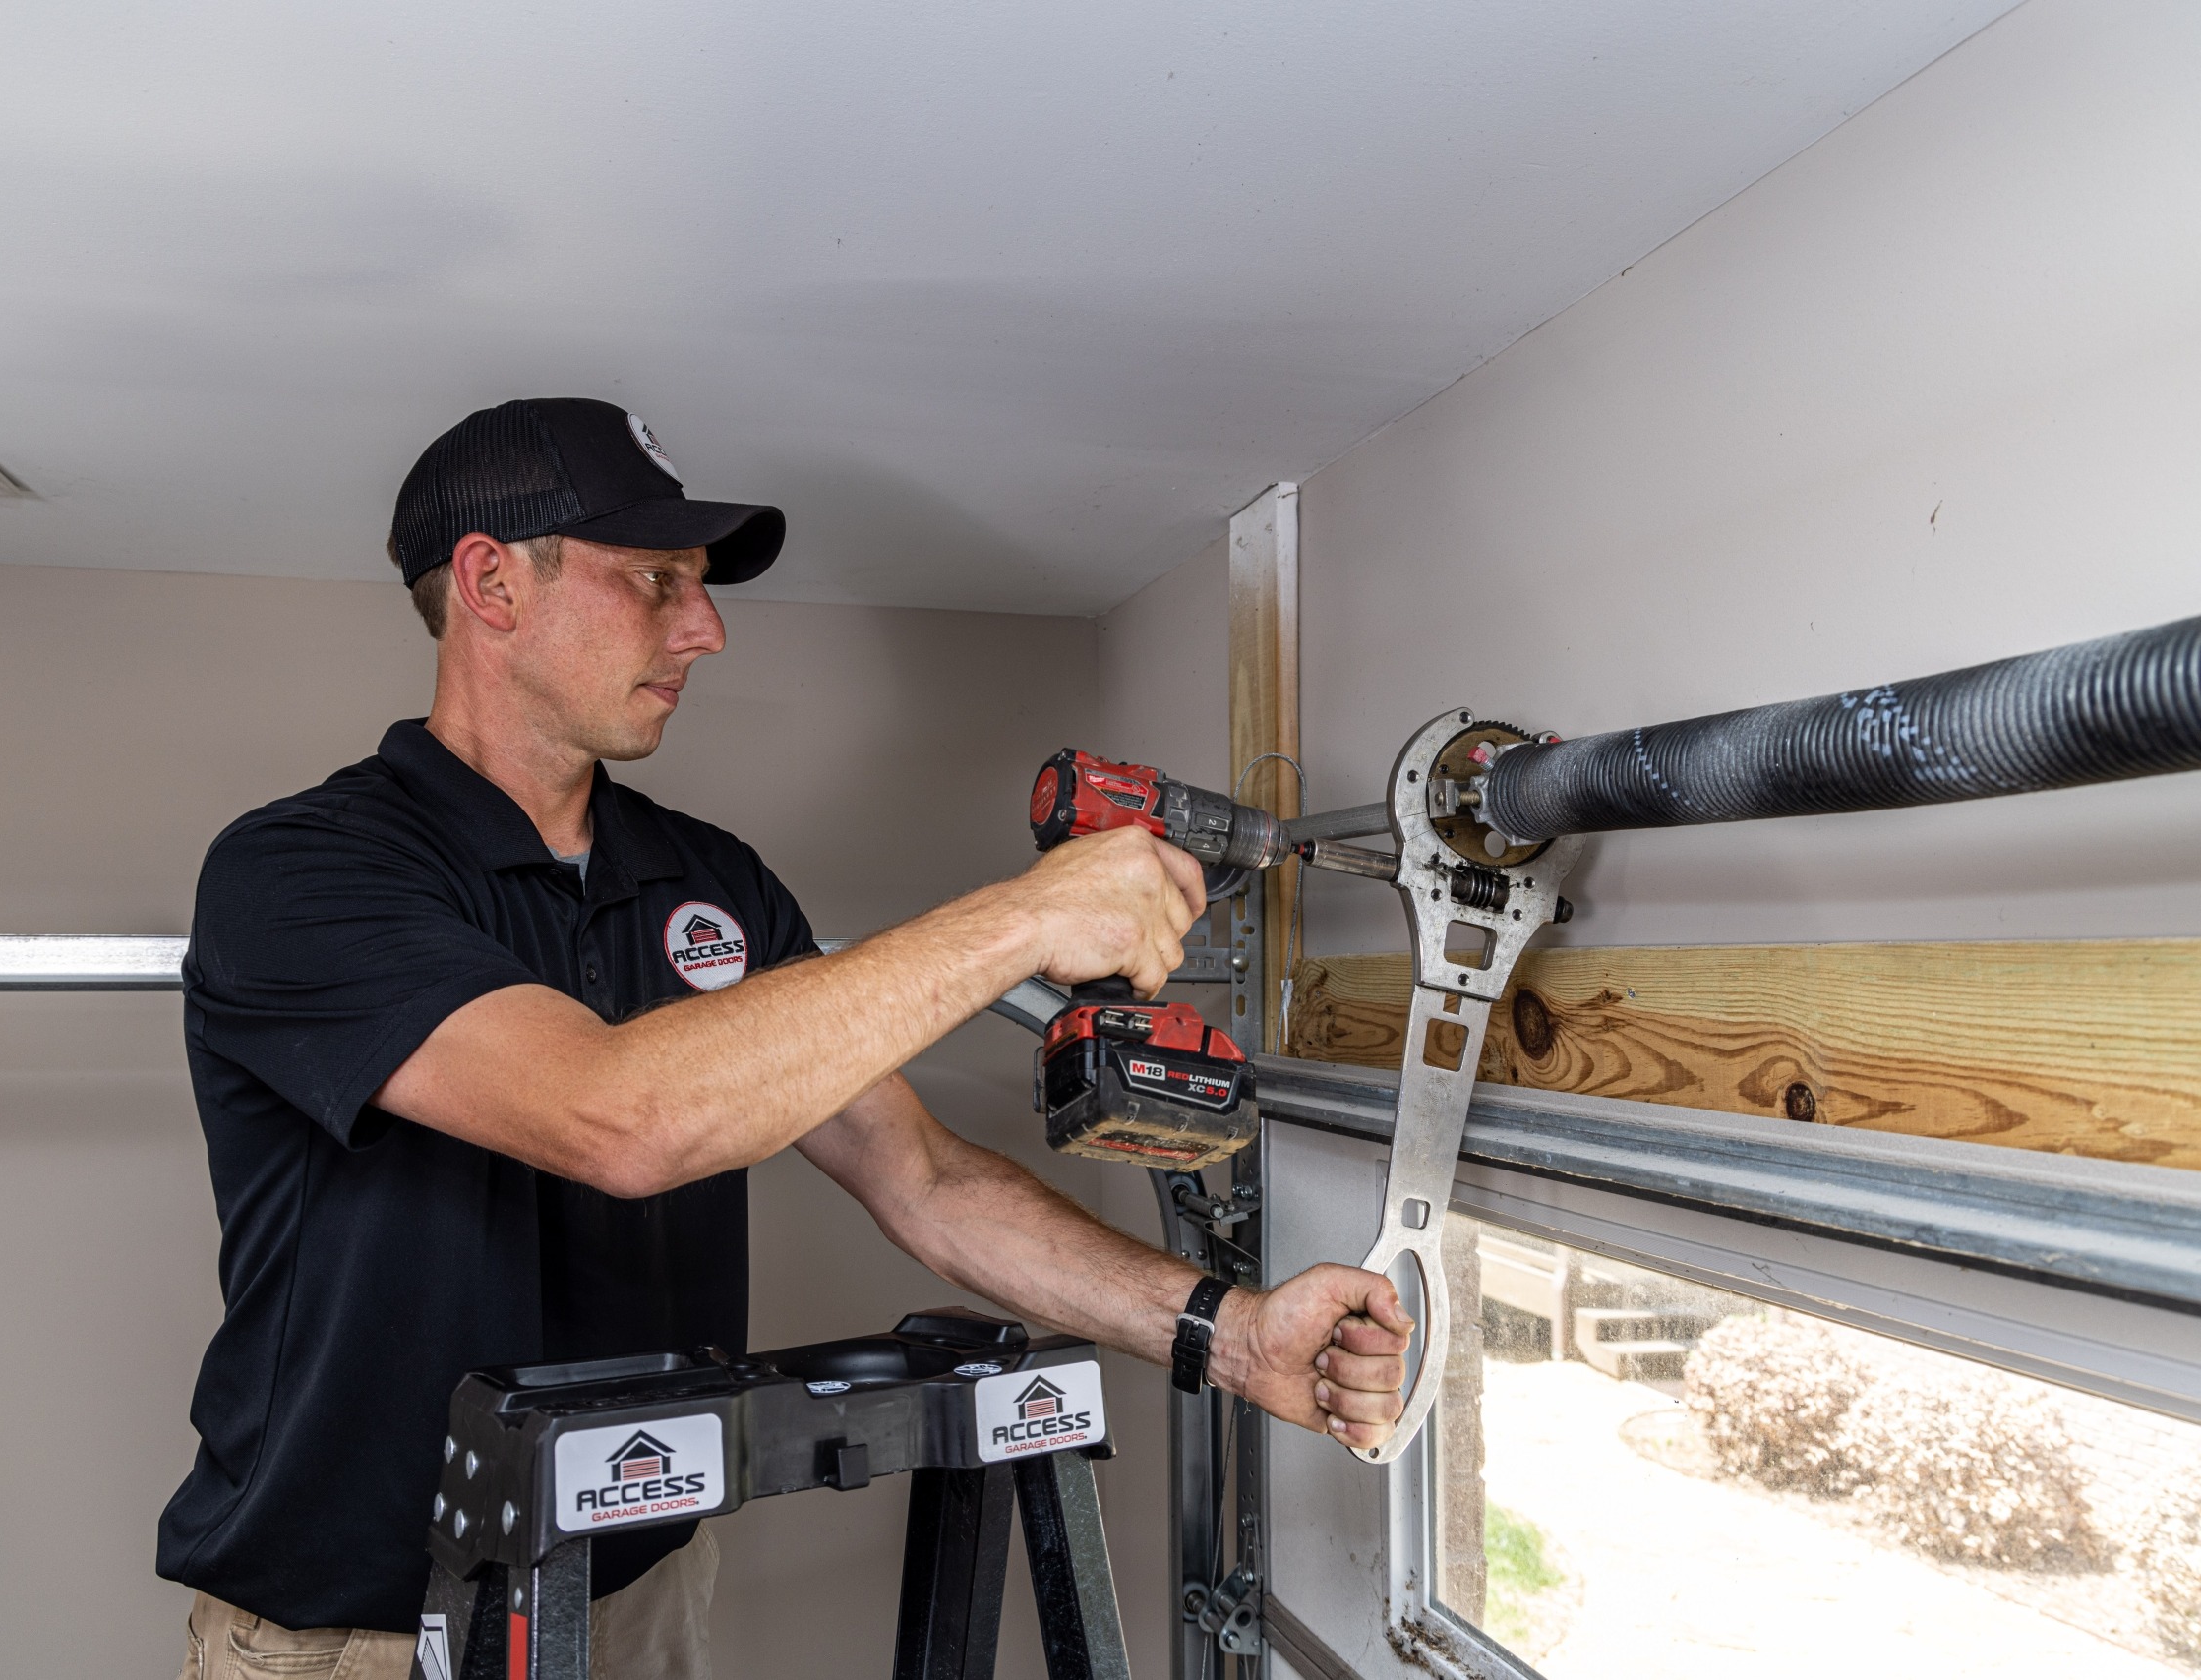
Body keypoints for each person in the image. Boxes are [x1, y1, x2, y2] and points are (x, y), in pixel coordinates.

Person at [160, 398, 1410, 1679]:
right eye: (654, 582)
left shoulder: (713, 882)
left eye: (699, 588)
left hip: (634, 1587)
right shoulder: (302, 872)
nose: (703, 629)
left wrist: (1230, 1331)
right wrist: (1021, 918)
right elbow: (618, 1116)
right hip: (361, 1632)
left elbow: (924, 1180)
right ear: (490, 583)